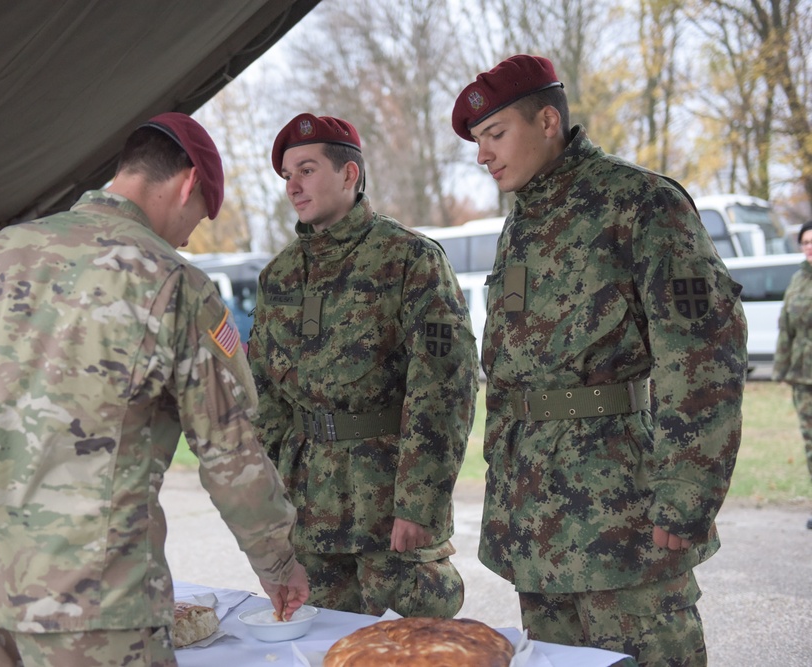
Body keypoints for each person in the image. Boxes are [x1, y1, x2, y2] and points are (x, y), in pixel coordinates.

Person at [0, 112, 309, 667]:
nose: (187, 238)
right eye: (195, 222)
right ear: (189, 184)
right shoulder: (174, 282)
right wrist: (278, 564)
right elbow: (231, 453)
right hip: (95, 606)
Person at [451, 55, 747, 666]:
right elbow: (514, 377)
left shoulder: (640, 203)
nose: (484, 155)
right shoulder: (521, 227)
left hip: (624, 512)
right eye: (479, 142)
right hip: (536, 520)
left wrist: (687, 491)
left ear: (549, 121)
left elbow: (702, 355)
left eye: (495, 134)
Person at [247, 113, 480, 618]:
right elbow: (264, 402)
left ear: (349, 174)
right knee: (322, 649)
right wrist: (270, 517)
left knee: (413, 653)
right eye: (287, 176)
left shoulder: (409, 259)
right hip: (309, 519)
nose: (293, 186)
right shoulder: (278, 278)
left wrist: (420, 503)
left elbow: (444, 388)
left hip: (390, 517)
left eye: (307, 170)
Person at [771, 220, 812, 531]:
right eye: (805, 242)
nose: (809, 247)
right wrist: (782, 369)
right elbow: (786, 327)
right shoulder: (797, 279)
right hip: (804, 378)